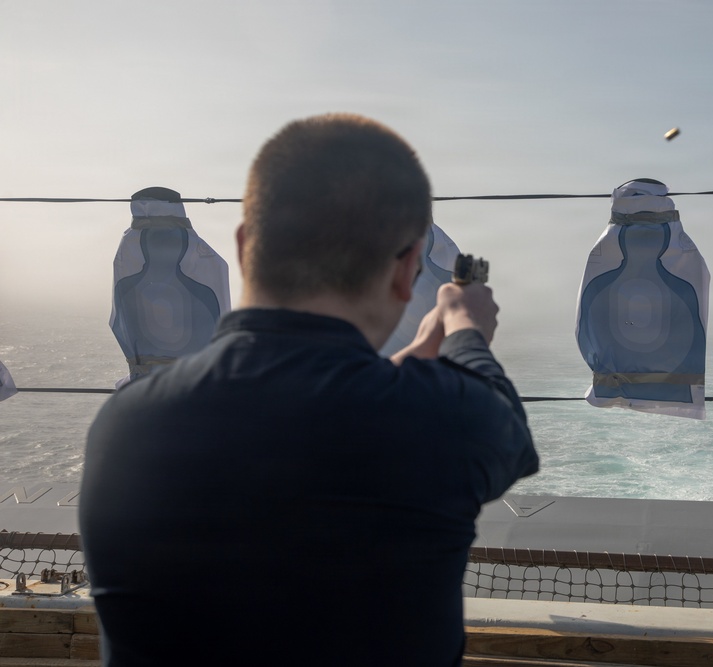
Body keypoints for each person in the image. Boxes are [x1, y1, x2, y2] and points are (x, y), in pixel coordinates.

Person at [79, 113, 539, 666]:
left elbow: (304, 406)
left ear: (246, 247)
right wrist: (465, 327)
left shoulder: (124, 424)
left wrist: (416, 353)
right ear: (408, 271)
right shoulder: (435, 424)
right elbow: (500, 420)